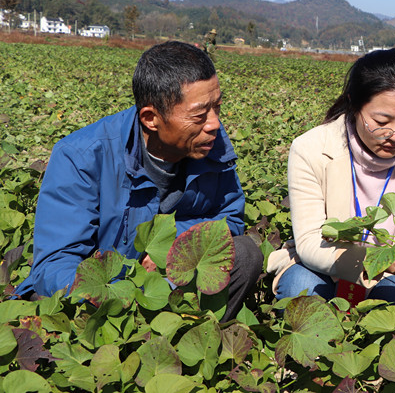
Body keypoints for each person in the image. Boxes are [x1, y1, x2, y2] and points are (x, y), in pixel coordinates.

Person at [15, 41, 262, 321]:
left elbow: (229, 219)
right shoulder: (80, 156)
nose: (214, 123)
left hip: (168, 283)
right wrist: (114, 294)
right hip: (100, 299)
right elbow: (55, 264)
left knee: (244, 254)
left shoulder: (211, 144)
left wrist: (171, 245)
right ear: (150, 118)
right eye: (199, 114)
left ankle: (193, 333)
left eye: (217, 107)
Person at [267, 48, 395, 308]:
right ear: (354, 105)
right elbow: (310, 242)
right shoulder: (311, 148)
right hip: (323, 266)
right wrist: (376, 259)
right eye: (381, 121)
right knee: (302, 289)